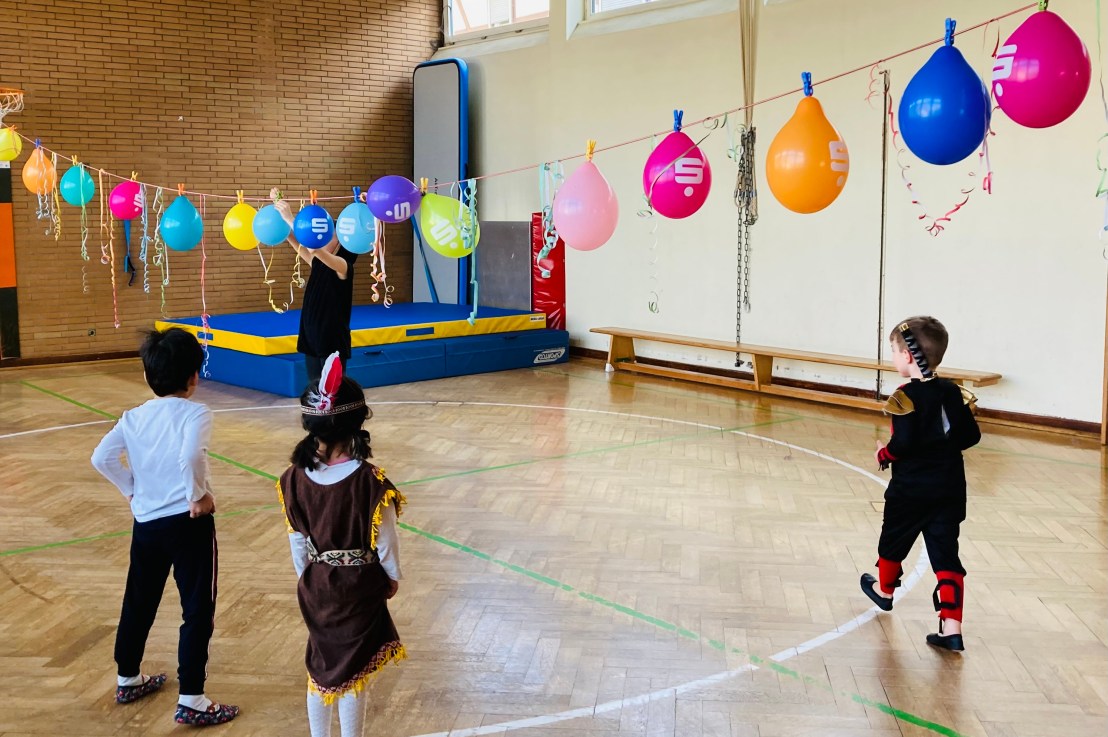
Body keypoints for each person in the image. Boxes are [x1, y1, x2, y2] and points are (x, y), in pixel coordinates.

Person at [91, 327, 239, 725]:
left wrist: (131, 491)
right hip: (189, 525)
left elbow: (101, 458)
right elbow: (191, 455)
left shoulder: (133, 417)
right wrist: (196, 496)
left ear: (147, 375)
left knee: (139, 599)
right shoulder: (196, 412)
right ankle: (192, 697)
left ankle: (128, 676)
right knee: (197, 608)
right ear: (195, 376)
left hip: (147, 525)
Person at [277, 353, 405, 736]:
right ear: (357, 423)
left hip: (316, 587)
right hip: (359, 587)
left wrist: (312, 577)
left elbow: (296, 542)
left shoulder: (292, 478)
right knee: (353, 669)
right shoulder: (370, 482)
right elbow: (385, 542)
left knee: (322, 664)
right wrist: (393, 578)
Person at [859, 316, 981, 652]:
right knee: (946, 555)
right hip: (950, 488)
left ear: (908, 357)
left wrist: (884, 453)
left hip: (911, 490)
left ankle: (884, 592)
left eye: (895, 352)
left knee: (894, 538)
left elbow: (904, 443)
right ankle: (951, 629)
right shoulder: (952, 391)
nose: (895, 358)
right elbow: (971, 436)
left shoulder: (904, 396)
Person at [272, 189, 358, 386]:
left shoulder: (343, 266)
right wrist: (281, 217)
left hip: (332, 338)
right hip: (311, 334)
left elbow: (313, 247)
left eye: (330, 236)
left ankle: (333, 416)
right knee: (314, 386)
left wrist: (290, 217)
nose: (324, 237)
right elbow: (301, 246)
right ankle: (316, 416)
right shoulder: (318, 262)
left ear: (339, 244)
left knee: (331, 389)